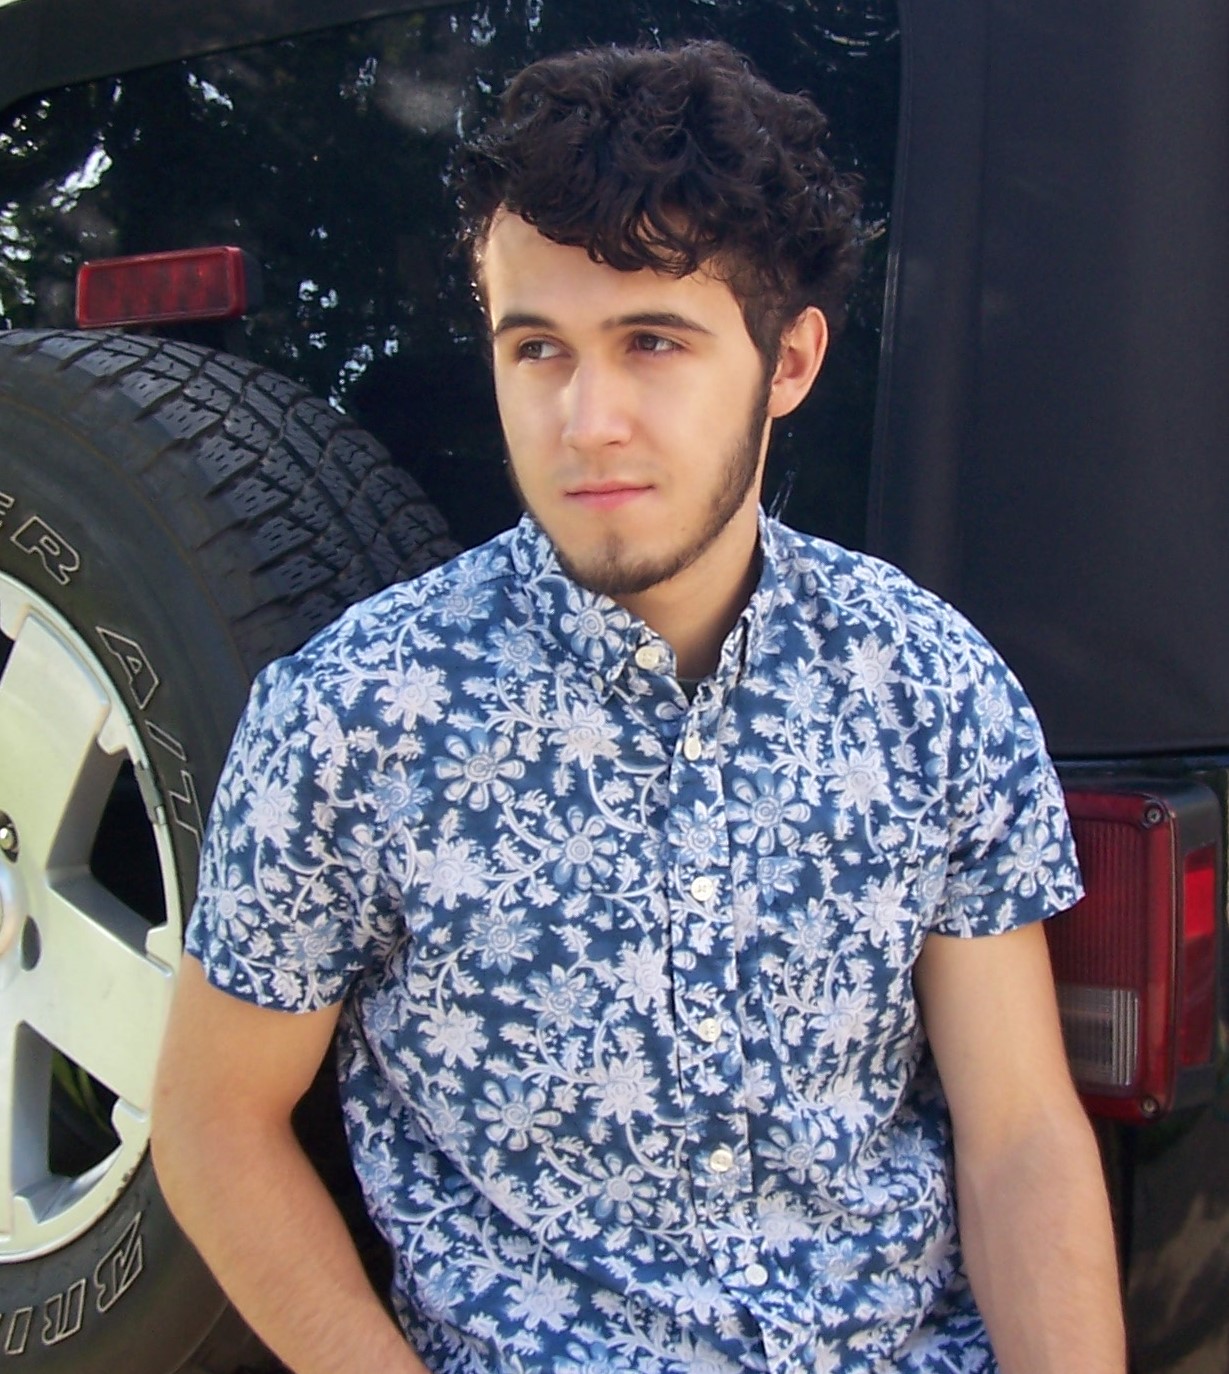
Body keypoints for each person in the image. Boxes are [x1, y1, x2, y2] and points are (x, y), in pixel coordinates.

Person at [152, 39, 1126, 1374]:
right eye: (536, 346)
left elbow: (1016, 1130)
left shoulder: (925, 682)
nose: (585, 418)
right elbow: (215, 1121)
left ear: (786, 365)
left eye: (652, 341)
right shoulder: (354, 718)